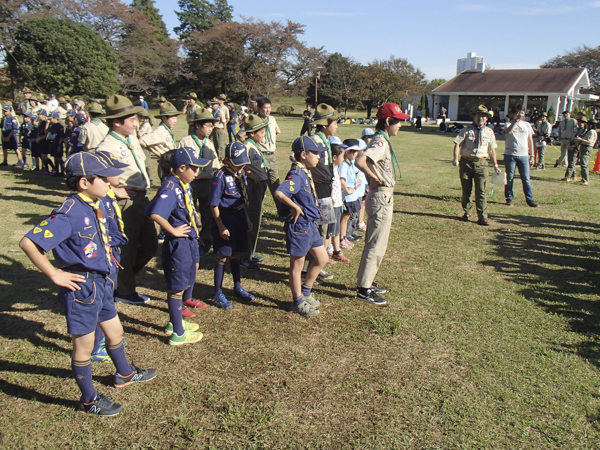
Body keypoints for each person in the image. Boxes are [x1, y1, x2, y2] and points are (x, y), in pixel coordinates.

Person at [19, 152, 157, 416]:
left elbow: (112, 201)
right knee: (83, 346)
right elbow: (29, 243)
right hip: (82, 288)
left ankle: (125, 373)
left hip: (103, 283)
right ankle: (89, 399)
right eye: (105, 179)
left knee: (115, 332)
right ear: (84, 182)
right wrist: (54, 274)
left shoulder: (99, 201)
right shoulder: (68, 213)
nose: (110, 184)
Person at [96, 94, 157, 305]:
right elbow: (95, 179)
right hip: (126, 202)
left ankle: (121, 279)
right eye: (131, 119)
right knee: (127, 249)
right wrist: (114, 191)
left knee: (150, 245)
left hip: (142, 198)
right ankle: (124, 290)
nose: (135, 122)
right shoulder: (107, 147)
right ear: (116, 122)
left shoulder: (130, 137)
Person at [146, 147, 210, 345]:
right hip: (179, 243)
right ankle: (178, 334)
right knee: (177, 288)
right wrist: (171, 231)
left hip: (189, 240)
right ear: (182, 168)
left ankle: (175, 323)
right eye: (194, 168)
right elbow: (155, 213)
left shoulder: (183, 183)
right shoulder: (170, 187)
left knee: (187, 277)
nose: (197, 173)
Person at [354, 103, 407, 305]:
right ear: (387, 121)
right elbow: (361, 162)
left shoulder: (382, 139)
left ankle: (366, 282)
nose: (400, 125)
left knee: (374, 243)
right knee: (376, 244)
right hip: (381, 196)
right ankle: (364, 289)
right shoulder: (380, 142)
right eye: (398, 121)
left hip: (382, 196)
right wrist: (377, 178)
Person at [274, 136, 329, 317]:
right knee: (296, 267)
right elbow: (280, 192)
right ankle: (297, 302)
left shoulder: (303, 171)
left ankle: (306, 292)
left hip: (310, 225)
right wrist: (295, 207)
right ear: (303, 154)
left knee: (322, 259)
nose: (318, 156)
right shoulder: (296, 174)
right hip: (300, 226)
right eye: (315, 153)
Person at [208, 141, 255, 309]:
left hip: (239, 215)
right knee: (223, 255)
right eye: (238, 162)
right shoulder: (219, 176)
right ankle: (217, 293)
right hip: (225, 217)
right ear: (227, 160)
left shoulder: (240, 174)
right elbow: (214, 205)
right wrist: (220, 226)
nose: (242, 165)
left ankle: (237, 287)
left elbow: (242, 199)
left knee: (236, 254)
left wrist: (247, 218)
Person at [178, 107, 220, 260]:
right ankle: (187, 242)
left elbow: (215, 164)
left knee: (208, 215)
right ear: (197, 126)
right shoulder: (185, 142)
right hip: (191, 183)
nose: (210, 129)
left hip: (208, 182)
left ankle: (205, 243)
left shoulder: (209, 143)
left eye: (211, 126)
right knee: (188, 213)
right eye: (207, 125)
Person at [307, 103, 341, 281]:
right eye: (335, 123)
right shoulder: (314, 140)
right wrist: (312, 174)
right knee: (319, 226)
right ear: (326, 124)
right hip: (319, 190)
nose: (336, 126)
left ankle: (316, 265)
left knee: (324, 225)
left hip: (326, 188)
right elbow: (298, 157)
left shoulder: (325, 140)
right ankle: (312, 266)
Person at [452, 105, 501, 226]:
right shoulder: (466, 130)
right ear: (473, 116)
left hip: (482, 163)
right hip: (466, 163)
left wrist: (495, 165)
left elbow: (492, 150)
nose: (481, 118)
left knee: (481, 191)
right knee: (466, 189)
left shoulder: (489, 132)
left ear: (487, 118)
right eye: (478, 115)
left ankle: (482, 216)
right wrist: (455, 158)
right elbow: (457, 144)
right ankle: (467, 212)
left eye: (483, 116)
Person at [239, 114, 269, 270]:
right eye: (261, 132)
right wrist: (251, 174)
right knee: (251, 219)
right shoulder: (246, 146)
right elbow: (239, 164)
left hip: (260, 186)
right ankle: (244, 257)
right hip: (252, 186)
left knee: (256, 220)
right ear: (251, 133)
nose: (263, 135)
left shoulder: (254, 145)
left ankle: (251, 252)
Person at [504, 104, 538, 207]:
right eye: (518, 112)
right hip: (510, 154)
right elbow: (508, 131)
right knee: (510, 177)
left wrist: (532, 155)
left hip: (523, 155)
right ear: (513, 114)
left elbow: (530, 140)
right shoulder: (508, 123)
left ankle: (529, 198)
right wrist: (515, 121)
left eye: (521, 112)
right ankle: (509, 198)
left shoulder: (527, 125)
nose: (520, 114)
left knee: (526, 178)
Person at [139, 101, 182, 182]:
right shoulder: (160, 131)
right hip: (166, 165)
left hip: (172, 164)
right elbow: (141, 141)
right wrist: (158, 154)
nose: (175, 121)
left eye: (176, 118)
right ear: (164, 118)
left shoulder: (168, 129)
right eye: (173, 118)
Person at [256, 97, 282, 204]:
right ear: (258, 108)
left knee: (275, 183)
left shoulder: (272, 119)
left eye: (269, 108)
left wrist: (273, 145)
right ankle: (259, 214)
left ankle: (282, 211)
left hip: (271, 156)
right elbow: (241, 135)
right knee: (260, 185)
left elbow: (276, 132)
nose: (267, 110)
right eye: (264, 108)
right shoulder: (254, 120)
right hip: (260, 156)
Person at [572, 118, 598, 185]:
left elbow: (589, 142)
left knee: (584, 164)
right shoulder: (588, 131)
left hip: (587, 148)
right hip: (584, 148)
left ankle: (586, 180)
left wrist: (580, 140)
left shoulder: (591, 132)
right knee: (582, 163)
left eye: (588, 124)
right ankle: (583, 178)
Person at [47, 111, 65, 177]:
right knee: (55, 158)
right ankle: (57, 171)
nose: (49, 120)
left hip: (57, 143)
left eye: (50, 118)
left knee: (59, 158)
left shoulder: (60, 127)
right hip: (52, 143)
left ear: (55, 118)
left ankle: (63, 171)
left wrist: (59, 146)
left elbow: (61, 137)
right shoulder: (52, 126)